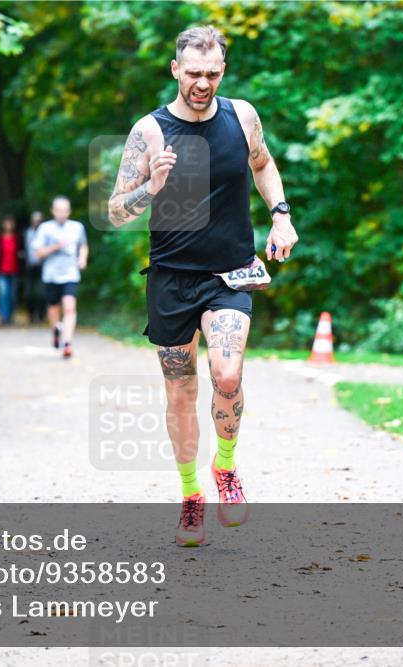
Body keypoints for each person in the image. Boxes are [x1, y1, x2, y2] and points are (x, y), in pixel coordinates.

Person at [107, 25, 299, 546]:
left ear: (222, 72)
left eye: (212, 73)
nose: (203, 82)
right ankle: (191, 495)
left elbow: (263, 164)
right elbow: (115, 211)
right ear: (175, 70)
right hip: (171, 277)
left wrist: (280, 216)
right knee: (180, 390)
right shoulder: (149, 131)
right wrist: (152, 185)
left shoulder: (242, 116)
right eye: (193, 73)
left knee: (228, 373)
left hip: (230, 272)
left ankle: (227, 468)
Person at [33, 196, 88, 359]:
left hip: (70, 274)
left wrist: (82, 258)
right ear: (53, 211)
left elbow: (83, 245)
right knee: (53, 308)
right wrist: (56, 246)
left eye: (65, 210)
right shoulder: (45, 228)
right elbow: (38, 253)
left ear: (69, 211)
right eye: (59, 210)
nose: (62, 214)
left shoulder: (77, 227)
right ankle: (56, 330)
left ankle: (68, 343)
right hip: (51, 275)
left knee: (70, 306)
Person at [0, 215, 20, 325]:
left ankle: (11, 316)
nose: (8, 226)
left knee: (12, 295)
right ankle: (4, 317)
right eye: (6, 223)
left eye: (10, 223)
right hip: (1, 270)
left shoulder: (17, 238)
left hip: (13, 270)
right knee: (3, 293)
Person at [23, 211, 47, 324]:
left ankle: (41, 316)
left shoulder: (47, 233)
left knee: (42, 293)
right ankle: (31, 315)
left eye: (39, 220)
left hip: (43, 267)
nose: (37, 223)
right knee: (28, 293)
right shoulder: (26, 233)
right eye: (35, 220)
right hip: (29, 268)